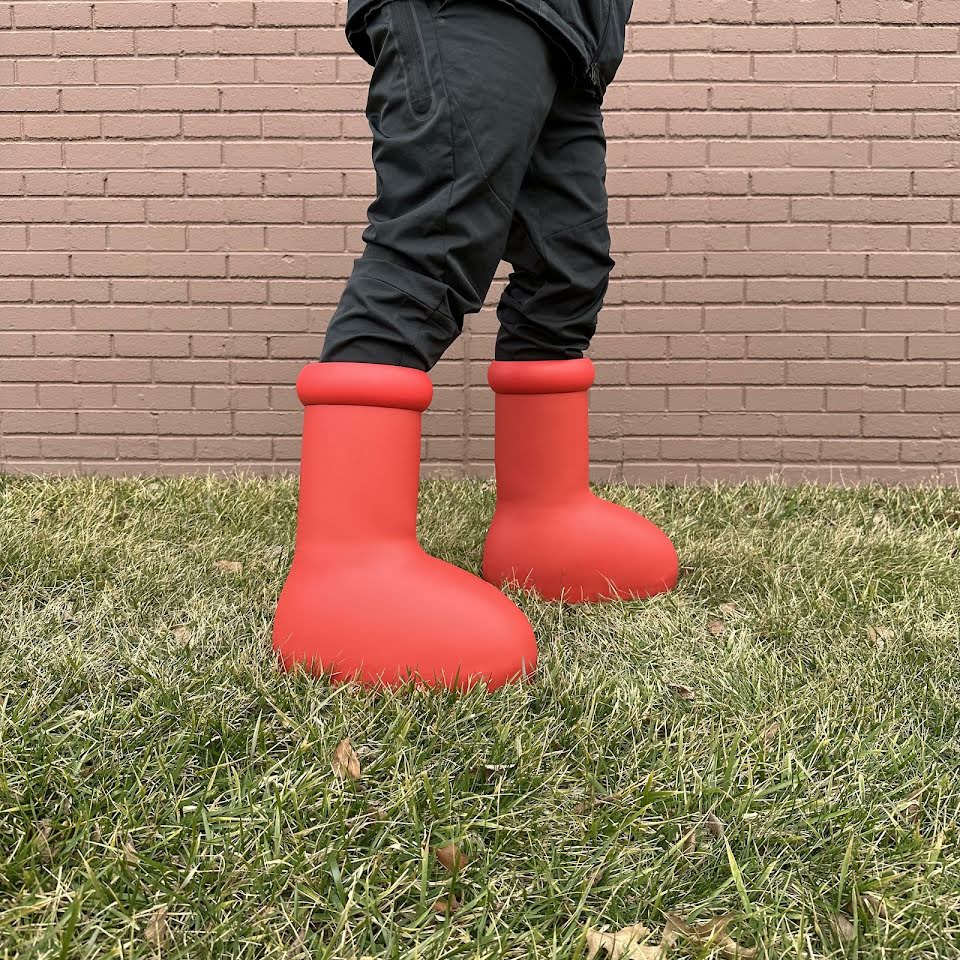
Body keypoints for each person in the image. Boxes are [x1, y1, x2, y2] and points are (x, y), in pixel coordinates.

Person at [272, 0, 680, 689]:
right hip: (476, 7)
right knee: (434, 244)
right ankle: (345, 568)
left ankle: (542, 516)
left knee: (569, 270)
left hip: (576, 35)